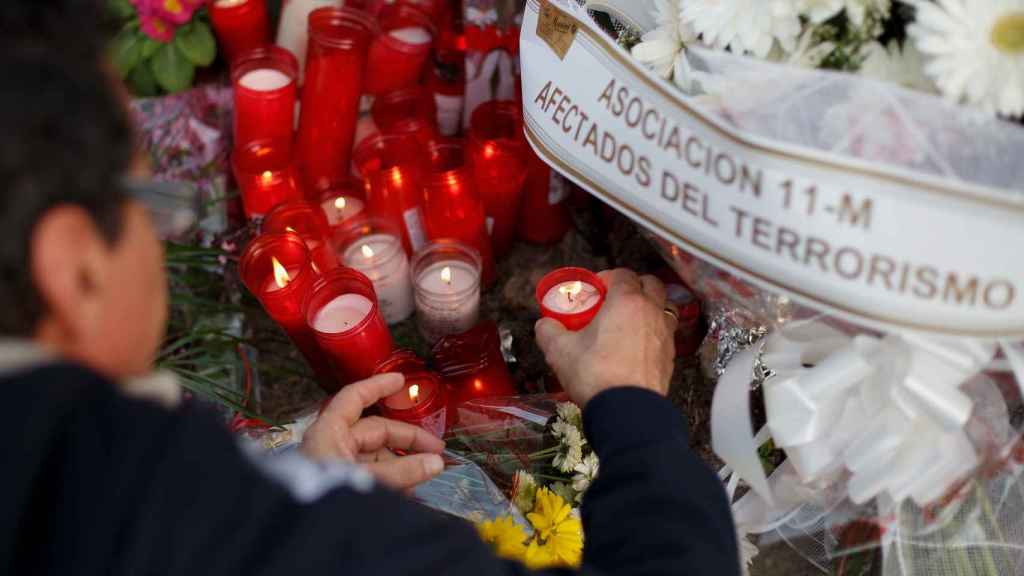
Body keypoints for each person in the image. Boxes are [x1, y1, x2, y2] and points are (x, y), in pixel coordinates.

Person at [0, 1, 739, 574]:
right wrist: (632, 404)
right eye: (152, 205)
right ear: (76, 269)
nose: (159, 239)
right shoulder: (155, 512)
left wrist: (290, 485)